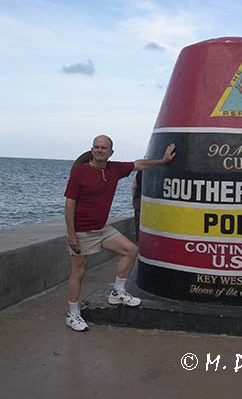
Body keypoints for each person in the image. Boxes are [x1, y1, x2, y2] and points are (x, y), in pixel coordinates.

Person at [64, 134, 176, 332]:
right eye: (96, 147)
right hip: (82, 231)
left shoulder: (114, 169)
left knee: (131, 250)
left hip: (102, 229)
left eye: (103, 148)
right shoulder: (80, 172)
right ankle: (72, 314)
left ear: (111, 152)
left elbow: (138, 164)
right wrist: (71, 234)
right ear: (92, 150)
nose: (99, 150)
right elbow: (69, 203)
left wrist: (163, 160)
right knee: (79, 272)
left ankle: (117, 292)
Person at [131, 170, 142, 242]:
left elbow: (134, 187)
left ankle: (139, 240)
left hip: (139, 198)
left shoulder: (140, 171)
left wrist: (133, 198)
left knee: (138, 222)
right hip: (153, 200)